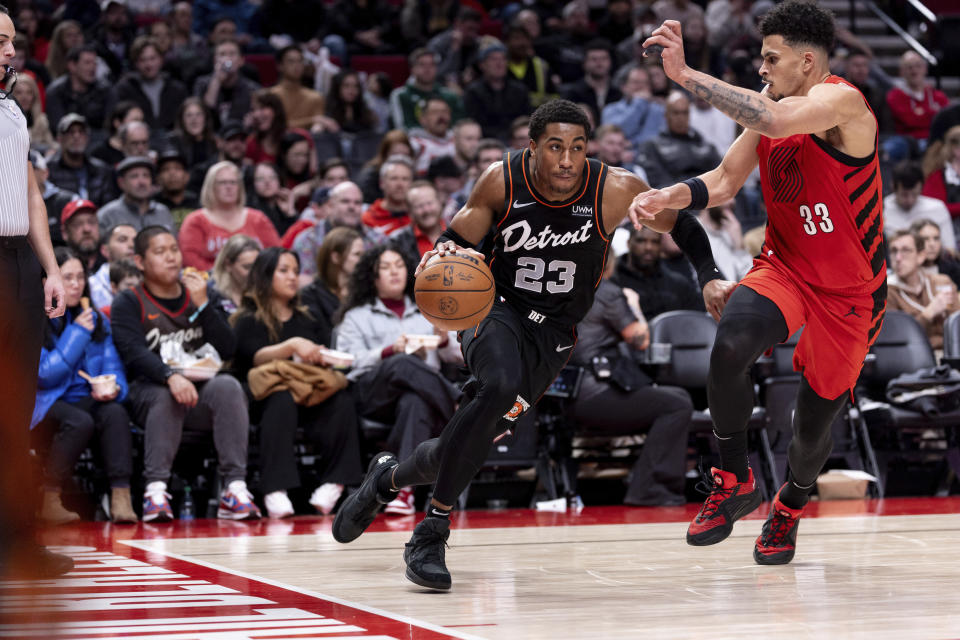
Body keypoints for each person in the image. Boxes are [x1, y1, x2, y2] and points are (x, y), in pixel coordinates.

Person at [332, 99, 727, 589]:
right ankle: (432, 529)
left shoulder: (614, 188)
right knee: (496, 386)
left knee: (470, 437)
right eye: (556, 147)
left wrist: (709, 277)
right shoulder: (502, 180)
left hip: (555, 335)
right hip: (496, 308)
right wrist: (440, 256)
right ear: (534, 146)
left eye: (577, 148)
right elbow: (456, 238)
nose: (567, 160)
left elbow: (683, 222)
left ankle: (386, 479)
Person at [633, 2, 886, 565]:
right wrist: (668, 196)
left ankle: (790, 504)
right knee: (729, 347)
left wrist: (686, 76)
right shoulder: (768, 103)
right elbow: (724, 180)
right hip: (787, 267)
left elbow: (773, 123)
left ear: (807, 60)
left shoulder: (842, 101)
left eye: (771, 59)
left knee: (812, 429)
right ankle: (733, 478)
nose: (762, 70)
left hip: (849, 292)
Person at [111, 226, 260, 522]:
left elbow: (229, 348)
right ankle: (155, 491)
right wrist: (169, 375)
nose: (170, 258)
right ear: (140, 262)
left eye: (174, 250)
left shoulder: (201, 293)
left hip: (198, 393)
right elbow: (133, 353)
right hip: (148, 393)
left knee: (229, 386)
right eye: (160, 252)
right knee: (166, 396)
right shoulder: (129, 301)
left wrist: (203, 304)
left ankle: (234, 489)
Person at [0, 3, 74, 580]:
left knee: (16, 405)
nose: (10, 52)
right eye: (1, 42)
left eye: (11, 42)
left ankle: (15, 541)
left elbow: (30, 200)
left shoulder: (14, 115)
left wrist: (50, 269)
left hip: (18, 265)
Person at [232, 248, 363, 517]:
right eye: (284, 271)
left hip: (308, 393)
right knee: (280, 399)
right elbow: (253, 357)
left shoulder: (308, 317)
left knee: (341, 400)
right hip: (264, 399)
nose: (292, 277)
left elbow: (326, 351)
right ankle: (275, 490)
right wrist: (292, 345)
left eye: (295, 270)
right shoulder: (247, 319)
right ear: (265, 276)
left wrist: (322, 357)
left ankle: (334, 483)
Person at [335, 245, 463, 517]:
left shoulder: (428, 309)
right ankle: (460, 406)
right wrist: (387, 351)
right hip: (374, 394)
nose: (394, 271)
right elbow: (347, 362)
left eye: (399, 265)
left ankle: (402, 491)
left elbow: (460, 355)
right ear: (372, 276)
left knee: (414, 401)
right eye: (385, 267)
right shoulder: (357, 316)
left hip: (422, 397)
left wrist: (443, 340)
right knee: (403, 362)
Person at [570, 245, 692, 506]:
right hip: (593, 395)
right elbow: (641, 340)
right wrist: (634, 304)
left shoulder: (562, 288)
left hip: (559, 395)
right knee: (677, 404)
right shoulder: (606, 292)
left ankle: (646, 482)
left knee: (674, 397)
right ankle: (649, 489)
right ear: (608, 265)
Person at [32, 247, 136, 525]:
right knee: (79, 422)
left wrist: (116, 389)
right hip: (45, 401)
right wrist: (77, 332)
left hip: (85, 395)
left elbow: (113, 366)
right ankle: (49, 498)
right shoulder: (33, 318)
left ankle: (121, 495)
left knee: (115, 412)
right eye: (67, 278)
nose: (76, 284)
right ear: (47, 281)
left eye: (80, 277)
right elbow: (43, 375)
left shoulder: (97, 318)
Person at [179, 161, 281, 270]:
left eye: (233, 182)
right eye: (223, 182)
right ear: (211, 186)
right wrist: (223, 277)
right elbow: (189, 259)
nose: (229, 187)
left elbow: (275, 254)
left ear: (240, 187)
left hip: (255, 281)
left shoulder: (258, 219)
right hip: (210, 282)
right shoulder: (195, 220)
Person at [886, 229, 959, 352]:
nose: (898, 258)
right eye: (894, 251)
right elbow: (897, 337)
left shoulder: (941, 282)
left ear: (921, 256)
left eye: (906, 250)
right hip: (914, 359)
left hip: (951, 355)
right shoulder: (887, 292)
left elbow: (957, 325)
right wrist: (928, 314)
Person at [300, 227, 364, 328]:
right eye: (357, 254)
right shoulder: (310, 296)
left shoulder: (363, 290)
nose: (362, 259)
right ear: (336, 257)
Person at [883, 161, 954, 250]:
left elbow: (950, 249)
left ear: (921, 188)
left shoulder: (937, 208)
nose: (910, 200)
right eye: (904, 195)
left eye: (914, 194)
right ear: (893, 187)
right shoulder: (882, 208)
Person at [97, 156, 176, 234]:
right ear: (121, 183)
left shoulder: (163, 212)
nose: (142, 182)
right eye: (134, 176)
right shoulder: (107, 215)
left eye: (146, 175)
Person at [209, 233, 260, 317]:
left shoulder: (265, 290)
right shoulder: (213, 294)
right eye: (247, 267)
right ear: (228, 265)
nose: (254, 273)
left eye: (258, 266)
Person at [88, 222, 136, 310]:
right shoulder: (90, 286)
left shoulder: (150, 281)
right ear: (105, 250)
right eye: (122, 240)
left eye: (135, 240)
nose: (131, 245)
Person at [912, 218, 960, 287]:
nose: (932, 244)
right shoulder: (907, 271)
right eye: (925, 239)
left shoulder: (952, 268)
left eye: (936, 238)